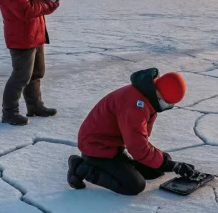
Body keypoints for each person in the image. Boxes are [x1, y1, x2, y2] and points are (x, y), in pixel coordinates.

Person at [67, 68, 197, 195]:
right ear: (159, 92)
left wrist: (165, 162)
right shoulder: (135, 106)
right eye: (167, 102)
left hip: (112, 146)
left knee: (155, 169)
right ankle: (80, 167)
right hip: (96, 148)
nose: (166, 106)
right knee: (134, 185)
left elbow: (140, 139)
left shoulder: (148, 97)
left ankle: (119, 165)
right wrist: (171, 165)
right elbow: (137, 147)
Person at [0, 0, 60, 126]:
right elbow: (26, 11)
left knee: (36, 74)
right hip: (21, 39)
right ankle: (9, 113)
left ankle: (35, 107)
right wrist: (48, 5)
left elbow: (32, 6)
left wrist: (44, 2)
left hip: (35, 36)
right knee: (21, 77)